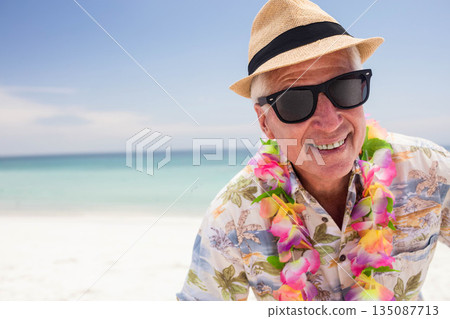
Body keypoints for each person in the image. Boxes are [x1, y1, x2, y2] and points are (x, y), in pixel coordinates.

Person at [177, 0, 449, 301]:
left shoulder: (430, 169)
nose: (330, 122)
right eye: (295, 102)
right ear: (264, 122)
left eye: (344, 87)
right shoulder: (232, 216)